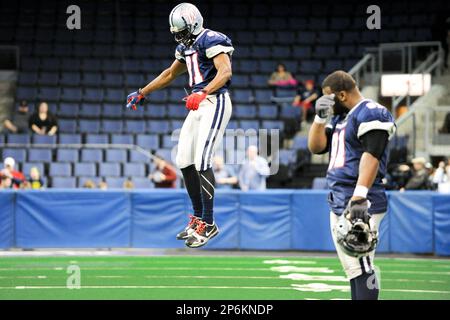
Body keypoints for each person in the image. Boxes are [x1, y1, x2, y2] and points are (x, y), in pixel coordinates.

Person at [126, 3, 233, 248]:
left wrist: (203, 91)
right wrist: (143, 92)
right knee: (184, 159)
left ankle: (209, 222)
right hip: (197, 103)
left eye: (182, 31)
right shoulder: (185, 47)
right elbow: (169, 74)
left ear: (194, 23)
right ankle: (197, 218)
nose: (179, 36)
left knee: (203, 160)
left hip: (214, 101)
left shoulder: (211, 39)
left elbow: (225, 72)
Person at [308, 70, 396, 300]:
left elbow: (372, 154)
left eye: (329, 97)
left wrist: (359, 196)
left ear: (343, 94)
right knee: (353, 268)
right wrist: (319, 118)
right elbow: (316, 147)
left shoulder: (371, 112)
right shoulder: (340, 117)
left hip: (360, 199)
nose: (326, 101)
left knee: (364, 264)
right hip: (338, 198)